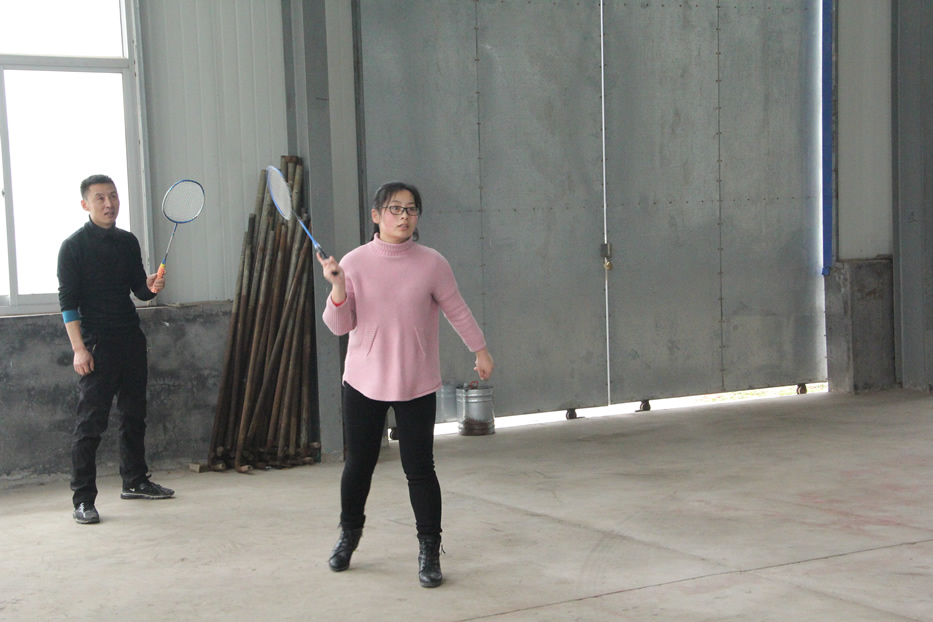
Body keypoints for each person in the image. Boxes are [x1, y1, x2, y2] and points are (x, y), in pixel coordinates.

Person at [317, 181, 494, 588]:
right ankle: (348, 536)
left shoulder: (432, 263)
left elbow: (457, 309)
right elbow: (339, 326)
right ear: (376, 215)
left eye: (411, 209)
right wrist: (338, 286)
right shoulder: (354, 262)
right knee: (359, 465)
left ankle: (429, 549)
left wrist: (481, 350)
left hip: (416, 381)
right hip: (363, 382)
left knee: (420, 469)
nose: (403, 216)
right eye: (394, 208)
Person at [57, 174, 175, 525]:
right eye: (100, 198)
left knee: (134, 414)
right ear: (85, 204)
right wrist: (79, 349)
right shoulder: (73, 247)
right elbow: (68, 303)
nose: (109, 204)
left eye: (113, 196)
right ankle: (83, 499)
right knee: (90, 424)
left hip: (130, 339)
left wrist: (152, 286)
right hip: (97, 343)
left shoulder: (127, 242)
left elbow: (139, 289)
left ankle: (135, 481)